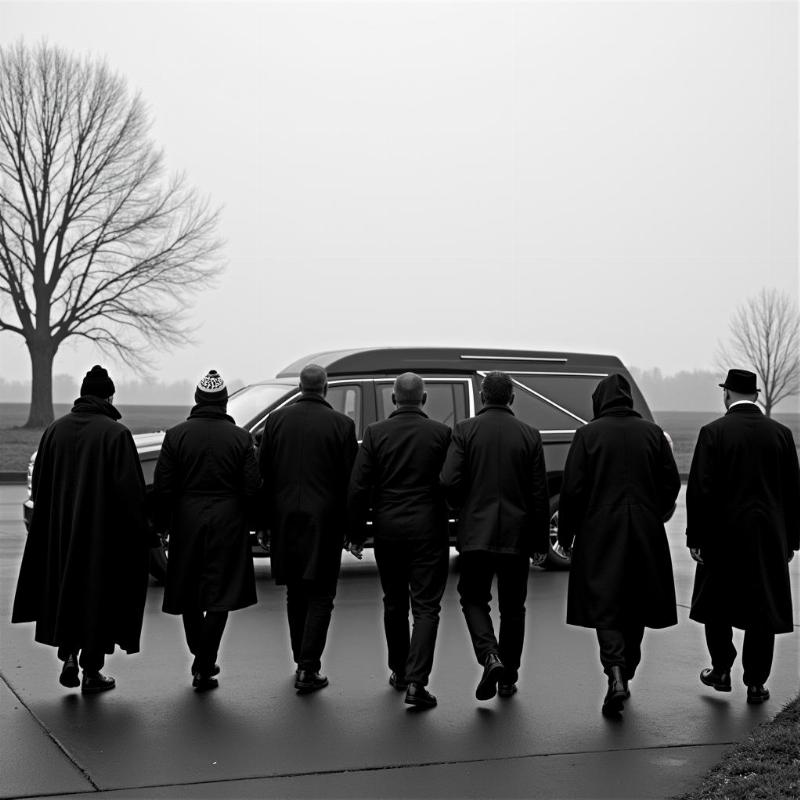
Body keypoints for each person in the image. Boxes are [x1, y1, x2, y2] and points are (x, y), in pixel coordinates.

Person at [12, 365, 150, 694]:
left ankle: (68, 655)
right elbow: (130, 494)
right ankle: (91, 670)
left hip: (60, 533)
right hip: (102, 536)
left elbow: (41, 488)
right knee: (97, 599)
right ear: (109, 396)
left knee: (65, 592)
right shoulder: (116, 435)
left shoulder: (54, 432)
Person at [558, 373, 681, 717]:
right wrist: (651, 510)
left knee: (605, 602)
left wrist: (565, 535)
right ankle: (627, 668)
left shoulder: (587, 435)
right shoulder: (653, 434)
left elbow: (572, 490)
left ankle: (614, 671)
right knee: (638, 602)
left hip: (599, 530)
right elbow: (670, 483)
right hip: (645, 529)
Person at [686, 368, 799, 704]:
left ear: (727, 394)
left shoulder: (713, 432)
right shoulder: (780, 434)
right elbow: (793, 492)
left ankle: (721, 669)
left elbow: (700, 490)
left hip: (722, 536)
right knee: (761, 608)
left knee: (716, 604)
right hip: (768, 537)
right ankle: (756, 682)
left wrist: (696, 537)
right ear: (757, 396)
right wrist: (791, 540)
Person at [440, 371, 549, 701]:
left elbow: (447, 480)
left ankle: (490, 656)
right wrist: (540, 542)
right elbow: (538, 494)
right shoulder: (530, 435)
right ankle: (508, 678)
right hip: (517, 535)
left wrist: (464, 508)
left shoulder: (465, 431)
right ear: (512, 397)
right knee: (514, 608)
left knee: (473, 598)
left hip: (476, 532)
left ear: (483, 396)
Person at [348, 373, 452, 709]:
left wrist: (356, 533)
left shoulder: (375, 434)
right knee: (426, 607)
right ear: (423, 400)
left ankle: (399, 670)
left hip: (388, 528)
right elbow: (450, 483)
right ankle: (418, 683)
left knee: (394, 601)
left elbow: (359, 486)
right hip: (428, 529)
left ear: (393, 399)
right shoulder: (441, 434)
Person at [152, 370, 261, 691]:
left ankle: (200, 654)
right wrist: (255, 524)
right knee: (220, 594)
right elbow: (252, 488)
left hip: (186, 521)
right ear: (225, 402)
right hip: (229, 522)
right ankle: (204, 661)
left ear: (198, 400)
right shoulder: (241, 438)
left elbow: (163, 487)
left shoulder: (175, 435)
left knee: (189, 592)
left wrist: (160, 525)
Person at [258, 364, 358, 694]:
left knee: (295, 591)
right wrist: (351, 528)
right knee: (321, 593)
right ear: (326, 388)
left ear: (300, 387)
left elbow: (264, 475)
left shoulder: (275, 422)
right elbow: (350, 482)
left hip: (284, 518)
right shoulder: (342, 425)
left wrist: (263, 523)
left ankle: (299, 657)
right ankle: (308, 666)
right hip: (324, 521)